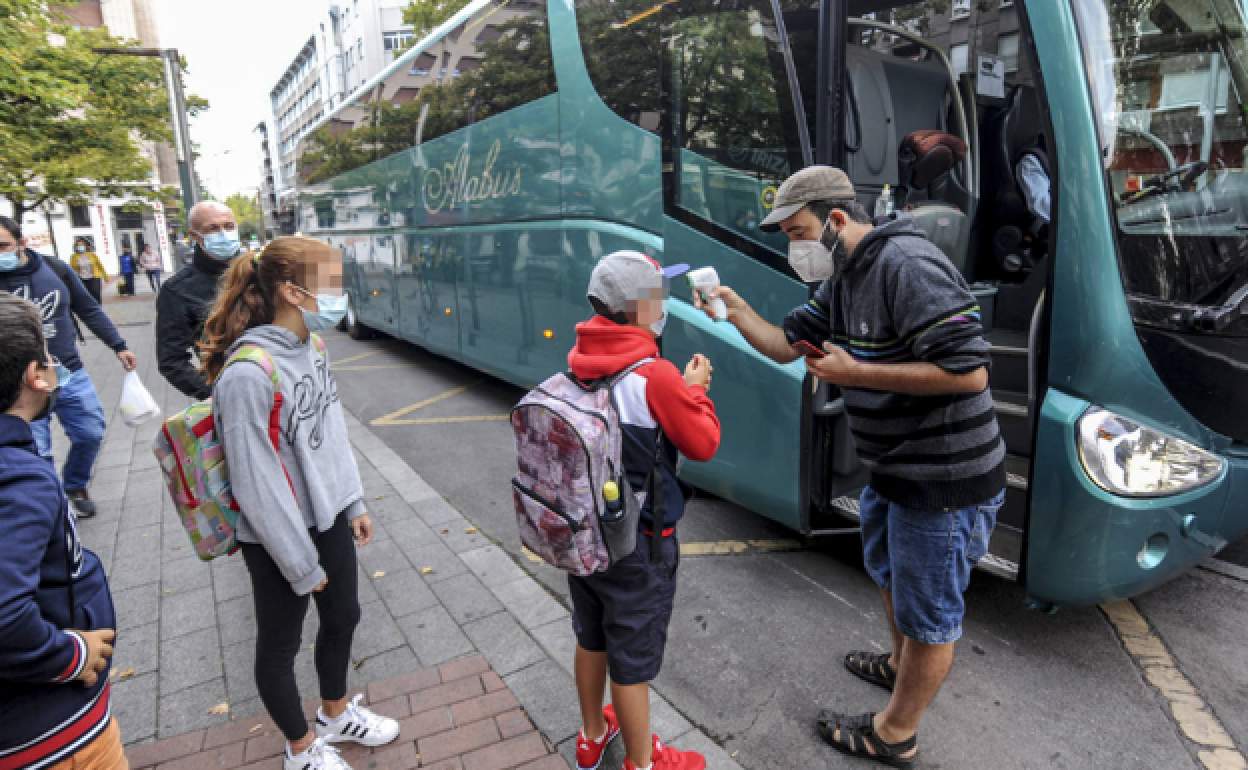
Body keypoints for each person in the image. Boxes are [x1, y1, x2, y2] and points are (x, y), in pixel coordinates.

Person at [695, 166, 1005, 767]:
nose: (796, 248)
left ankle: (896, 733)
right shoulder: (841, 277)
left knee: (931, 616)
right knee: (890, 575)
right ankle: (898, 664)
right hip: (893, 470)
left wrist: (857, 373)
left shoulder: (906, 265)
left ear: (836, 219)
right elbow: (786, 345)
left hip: (943, 479)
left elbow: (970, 373)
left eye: (799, 232)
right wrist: (735, 310)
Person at [198, 237, 399, 770]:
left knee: (344, 617)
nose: (341, 291)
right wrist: (298, 563)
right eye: (331, 281)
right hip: (275, 535)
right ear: (292, 291)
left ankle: (335, 715)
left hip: (326, 514)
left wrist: (353, 501)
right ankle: (300, 748)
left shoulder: (314, 347)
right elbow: (255, 483)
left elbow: (330, 433)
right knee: (280, 646)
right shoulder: (247, 373)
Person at [567, 251, 720, 770]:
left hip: (585, 534)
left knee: (591, 636)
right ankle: (641, 762)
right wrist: (695, 392)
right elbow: (703, 443)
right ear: (638, 308)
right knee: (631, 662)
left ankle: (592, 737)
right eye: (658, 295)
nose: (665, 304)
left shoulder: (578, 360)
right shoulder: (655, 376)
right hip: (640, 543)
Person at [0, 293, 123, 770]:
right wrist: (70, 655)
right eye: (49, 356)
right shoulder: (20, 479)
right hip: (50, 734)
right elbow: (6, 616)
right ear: (36, 375)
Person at [0, 216, 138, 518]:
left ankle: (75, 485)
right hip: (17, 384)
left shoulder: (55, 269)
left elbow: (88, 309)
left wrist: (119, 345)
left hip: (68, 372)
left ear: (22, 243)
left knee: (90, 433)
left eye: (3, 246)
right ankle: (51, 504)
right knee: (36, 449)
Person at [158, 201, 243, 400]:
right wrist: (216, 394)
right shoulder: (178, 289)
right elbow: (172, 360)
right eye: (212, 228)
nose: (223, 234)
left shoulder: (261, 272)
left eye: (229, 226)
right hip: (233, 395)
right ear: (195, 236)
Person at [70, 239, 108, 305]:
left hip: (94, 276)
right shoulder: (73, 257)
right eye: (78, 245)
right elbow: (71, 268)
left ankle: (98, 307)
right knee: (85, 294)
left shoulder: (92, 254)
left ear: (85, 246)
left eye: (81, 245)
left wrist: (105, 276)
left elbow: (100, 265)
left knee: (95, 292)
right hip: (81, 278)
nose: (80, 246)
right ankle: (89, 307)